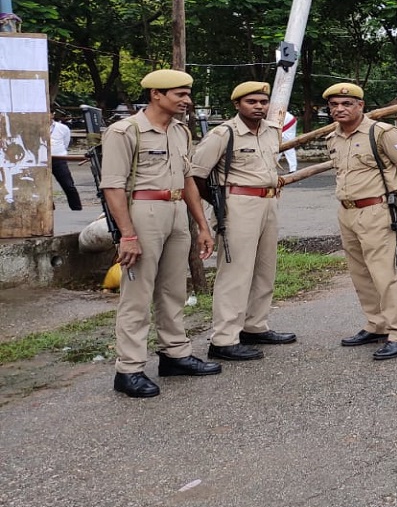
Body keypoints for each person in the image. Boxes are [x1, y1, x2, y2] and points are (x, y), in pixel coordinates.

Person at [100, 69, 220, 398]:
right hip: (142, 212)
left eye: (187, 94)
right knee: (137, 294)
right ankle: (129, 369)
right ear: (156, 95)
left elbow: (188, 182)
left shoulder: (180, 131)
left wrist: (202, 226)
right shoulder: (125, 131)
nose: (186, 100)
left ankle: (175, 354)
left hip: (176, 211)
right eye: (179, 94)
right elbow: (112, 186)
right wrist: (127, 234)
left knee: (172, 290)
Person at [190, 81, 296, 363]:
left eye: (263, 102)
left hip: (268, 202)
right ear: (237, 105)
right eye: (252, 102)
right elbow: (197, 175)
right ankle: (224, 339)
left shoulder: (272, 131)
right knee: (235, 272)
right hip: (238, 203)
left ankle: (254, 325)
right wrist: (219, 203)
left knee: (264, 268)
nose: (259, 106)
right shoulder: (223, 134)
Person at [324, 82, 397, 360]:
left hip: (376, 211)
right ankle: (377, 323)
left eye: (346, 104)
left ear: (360, 106)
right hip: (347, 211)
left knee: (384, 274)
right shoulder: (333, 138)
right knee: (360, 273)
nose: (339, 109)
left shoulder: (382, 133)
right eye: (334, 105)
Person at [49, 111, 82, 210]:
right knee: (42, 186)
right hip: (42, 160)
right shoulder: (36, 128)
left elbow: (66, 142)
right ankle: (49, 206)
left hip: (58, 159)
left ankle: (76, 207)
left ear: (52, 114)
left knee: (68, 184)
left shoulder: (62, 128)